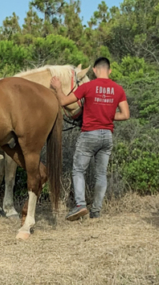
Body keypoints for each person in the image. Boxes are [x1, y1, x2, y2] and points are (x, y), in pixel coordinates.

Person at [50, 57, 129, 221]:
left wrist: (57, 88)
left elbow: (64, 101)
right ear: (110, 70)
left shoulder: (88, 86)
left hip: (89, 134)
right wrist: (107, 115)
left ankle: (80, 204)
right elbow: (126, 115)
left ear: (94, 70)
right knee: (101, 174)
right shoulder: (118, 89)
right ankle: (96, 210)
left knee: (79, 170)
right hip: (107, 136)